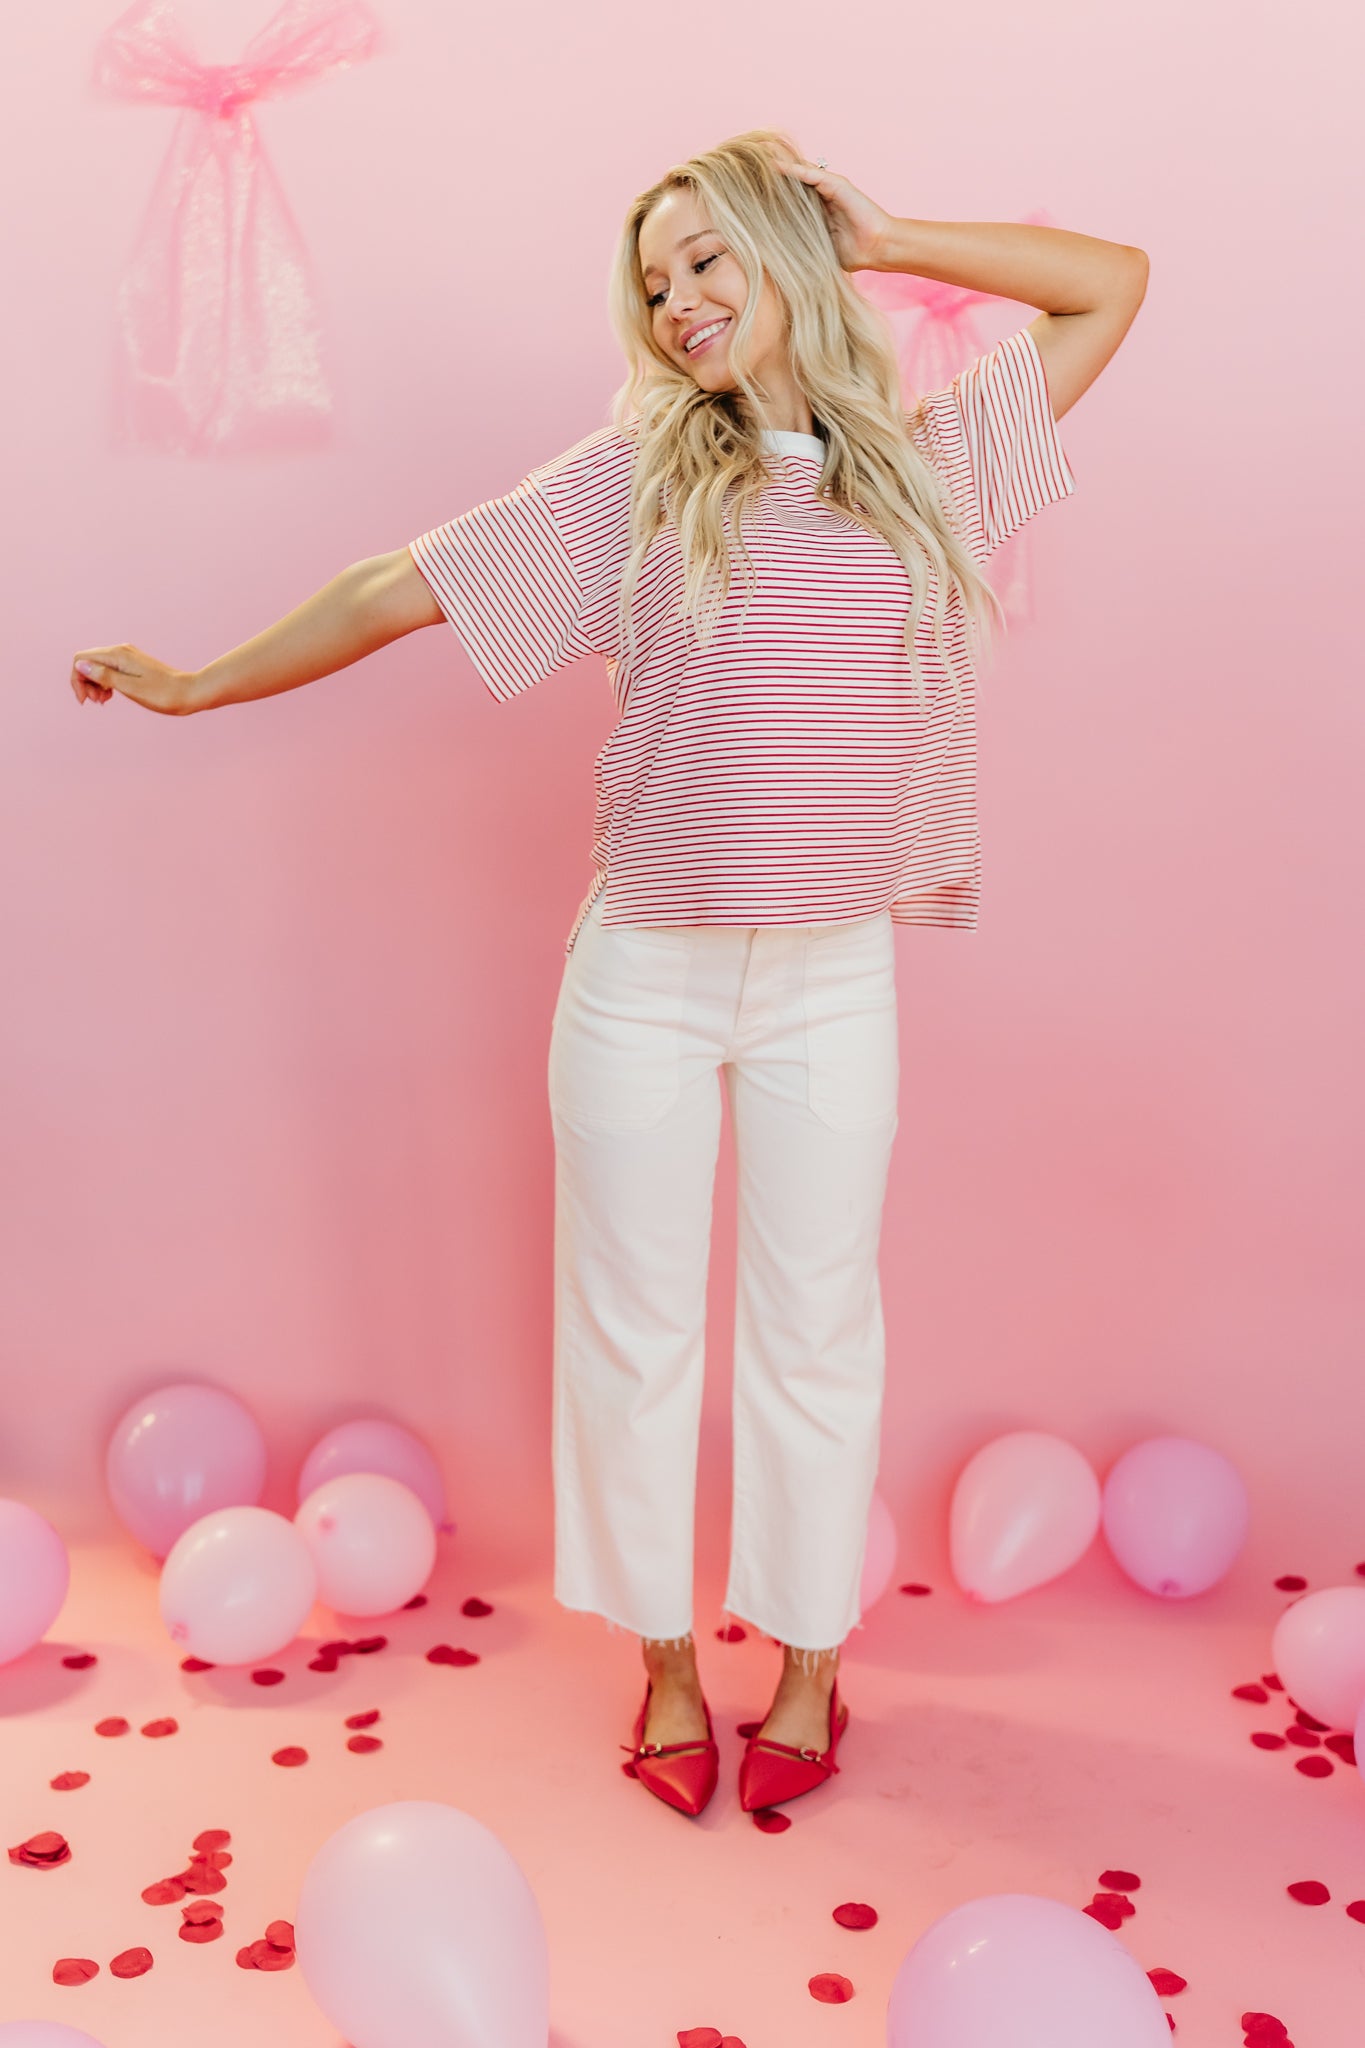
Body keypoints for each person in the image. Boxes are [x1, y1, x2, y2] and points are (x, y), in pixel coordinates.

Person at [69, 129, 1148, 1821]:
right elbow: (397, 583)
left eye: (713, 260)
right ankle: (662, 1668)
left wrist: (884, 230)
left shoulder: (926, 471)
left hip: (824, 979)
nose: (681, 302)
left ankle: (806, 1665)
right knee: (632, 1336)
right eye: (656, 283)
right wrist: (206, 684)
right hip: (640, 974)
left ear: (795, 263)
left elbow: (1110, 287)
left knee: (816, 1333)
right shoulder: (633, 480)